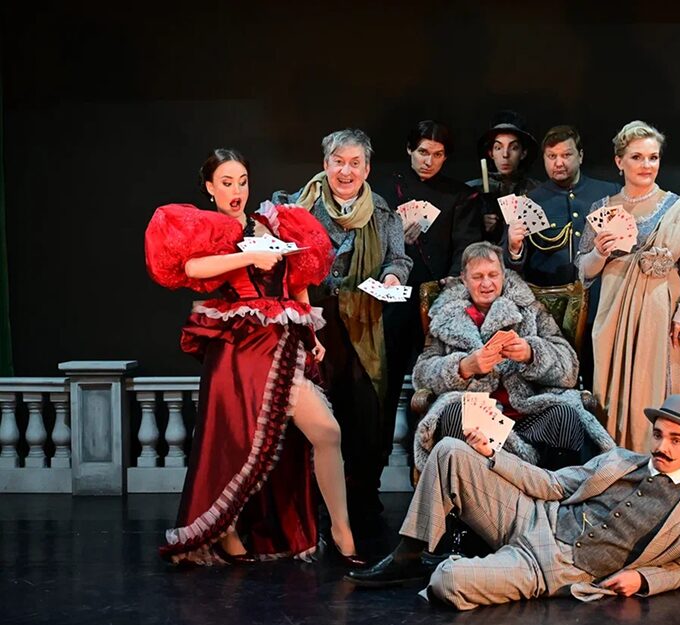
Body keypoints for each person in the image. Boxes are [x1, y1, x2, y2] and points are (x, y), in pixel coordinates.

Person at [144, 148, 363, 567]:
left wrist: (310, 330)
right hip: (239, 352)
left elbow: (296, 278)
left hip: (281, 344)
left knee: (327, 431)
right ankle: (226, 532)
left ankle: (342, 532)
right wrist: (248, 256)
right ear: (210, 188)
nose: (237, 190)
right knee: (232, 446)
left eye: (242, 181)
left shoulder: (272, 222)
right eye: (227, 183)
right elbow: (192, 269)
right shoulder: (211, 231)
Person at [346, 394, 680, 612]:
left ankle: (467, 565)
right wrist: (491, 454)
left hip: (554, 567)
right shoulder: (620, 460)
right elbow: (551, 484)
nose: (662, 447)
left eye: (675, 440)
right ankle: (410, 554)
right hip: (533, 516)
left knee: (448, 581)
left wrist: (642, 579)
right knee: (449, 450)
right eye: (658, 435)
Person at [272, 129, 412, 524]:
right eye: (338, 162)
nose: (346, 171)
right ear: (325, 164)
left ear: (366, 169)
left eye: (354, 163)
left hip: (365, 322)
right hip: (315, 321)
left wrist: (392, 278)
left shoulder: (382, 212)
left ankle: (361, 502)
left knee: (366, 413)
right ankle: (310, 506)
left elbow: (398, 259)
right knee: (315, 411)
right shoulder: (299, 206)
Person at [576, 120, 680, 481]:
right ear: (619, 161)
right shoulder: (603, 207)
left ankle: (669, 483)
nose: (646, 165)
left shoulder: (678, 208)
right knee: (614, 400)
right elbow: (584, 271)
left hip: (662, 316)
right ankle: (619, 482)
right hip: (614, 317)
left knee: (662, 394)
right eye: (637, 157)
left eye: (653, 157)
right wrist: (600, 253)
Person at [410, 241, 615, 472]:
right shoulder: (444, 317)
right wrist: (463, 367)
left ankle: (551, 490)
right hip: (479, 418)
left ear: (503, 275)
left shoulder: (530, 309)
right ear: (464, 279)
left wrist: (532, 354)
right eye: (477, 277)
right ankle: (475, 490)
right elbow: (422, 374)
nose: (486, 283)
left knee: (565, 415)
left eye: (493, 275)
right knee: (457, 414)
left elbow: (569, 368)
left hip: (528, 412)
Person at [382, 120, 482, 457]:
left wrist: (452, 279)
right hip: (394, 300)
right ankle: (378, 461)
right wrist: (396, 239)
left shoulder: (460, 194)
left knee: (439, 382)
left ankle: (436, 458)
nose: (429, 161)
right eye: (423, 152)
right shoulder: (386, 190)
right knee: (386, 381)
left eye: (437, 155)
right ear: (410, 149)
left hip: (439, 303)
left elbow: (466, 245)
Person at [505, 124, 618, 387]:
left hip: (601, 305)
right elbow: (511, 266)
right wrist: (514, 246)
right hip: (552, 313)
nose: (559, 163)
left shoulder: (608, 193)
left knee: (603, 383)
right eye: (551, 156)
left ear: (580, 155)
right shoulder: (529, 201)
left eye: (566, 155)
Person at [467, 110, 540, 242]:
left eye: (514, 148)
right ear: (491, 153)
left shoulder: (536, 190)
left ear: (523, 153)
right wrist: (479, 225)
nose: (505, 155)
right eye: (498, 147)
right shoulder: (471, 191)